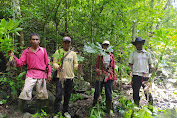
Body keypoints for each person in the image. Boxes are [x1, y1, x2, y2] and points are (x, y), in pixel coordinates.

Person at [9, 33, 52, 112]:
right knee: (25, 91)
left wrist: (49, 72)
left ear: (39, 41)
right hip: (31, 73)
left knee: (42, 94)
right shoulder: (27, 51)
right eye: (33, 39)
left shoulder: (43, 50)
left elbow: (47, 63)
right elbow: (20, 63)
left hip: (41, 74)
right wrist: (13, 57)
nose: (35, 41)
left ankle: (38, 111)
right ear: (30, 41)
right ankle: (20, 110)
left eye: (36, 39)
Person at [53, 36, 78, 118]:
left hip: (70, 77)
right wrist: (58, 67)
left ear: (70, 43)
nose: (67, 44)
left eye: (68, 42)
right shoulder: (58, 52)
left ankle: (65, 111)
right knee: (58, 95)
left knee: (67, 95)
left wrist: (76, 67)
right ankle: (56, 112)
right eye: (65, 42)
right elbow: (54, 63)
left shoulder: (73, 53)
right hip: (60, 77)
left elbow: (75, 63)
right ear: (63, 43)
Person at [92, 40, 117, 116]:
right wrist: (98, 70)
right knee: (97, 92)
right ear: (102, 46)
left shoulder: (111, 56)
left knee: (108, 93)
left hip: (109, 76)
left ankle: (108, 110)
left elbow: (113, 68)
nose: (105, 47)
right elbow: (96, 66)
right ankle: (94, 106)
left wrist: (114, 78)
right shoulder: (99, 56)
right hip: (100, 75)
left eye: (107, 45)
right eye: (104, 45)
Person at [129, 37, 154, 108]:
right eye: (137, 44)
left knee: (147, 91)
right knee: (135, 92)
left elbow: (150, 65)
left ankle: (150, 107)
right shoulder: (133, 54)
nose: (139, 45)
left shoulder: (147, 54)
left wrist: (153, 68)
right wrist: (129, 71)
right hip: (136, 75)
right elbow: (130, 65)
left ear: (142, 44)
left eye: (140, 43)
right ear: (135, 45)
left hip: (145, 75)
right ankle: (137, 106)